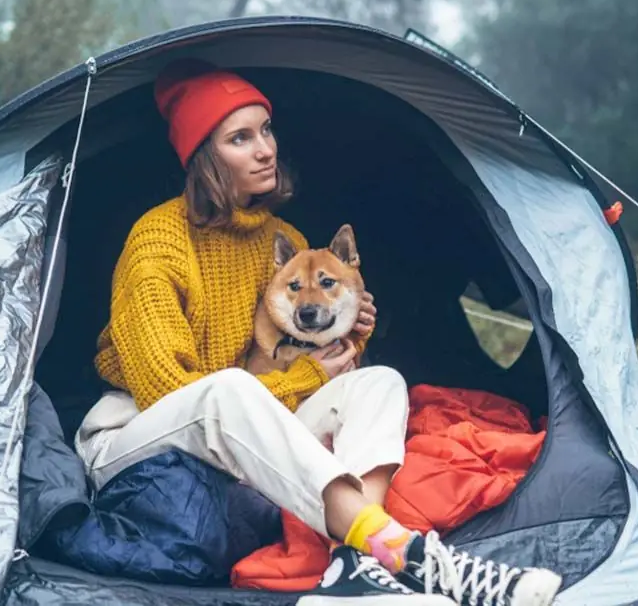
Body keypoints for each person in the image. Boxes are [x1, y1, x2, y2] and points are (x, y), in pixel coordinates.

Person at [74, 59, 561, 606]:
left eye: (266, 129)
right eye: (240, 138)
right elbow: (174, 393)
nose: (265, 149)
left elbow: (290, 361)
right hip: (136, 434)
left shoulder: (286, 240)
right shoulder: (158, 242)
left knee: (379, 383)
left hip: (242, 425)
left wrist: (348, 340)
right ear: (205, 157)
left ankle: (352, 565)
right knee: (224, 392)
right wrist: (304, 373)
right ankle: (408, 556)